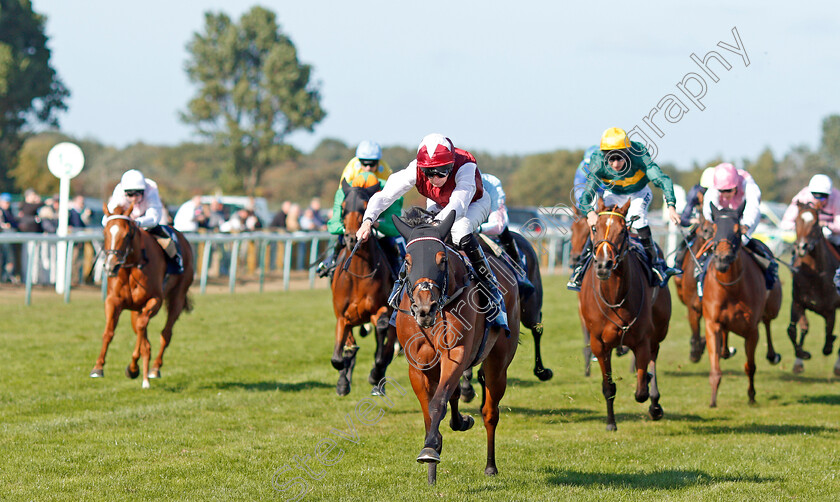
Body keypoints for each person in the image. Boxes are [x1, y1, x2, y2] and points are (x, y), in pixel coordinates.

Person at [355, 133, 507, 326]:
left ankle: (491, 288)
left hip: (473, 203)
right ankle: (400, 289)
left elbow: (457, 205)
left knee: (459, 230)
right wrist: (367, 220)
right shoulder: (415, 169)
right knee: (420, 239)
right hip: (439, 203)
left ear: (451, 165)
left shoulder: (466, 165)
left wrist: (434, 227)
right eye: (429, 173)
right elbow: (385, 196)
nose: (435, 178)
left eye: (442, 172)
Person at [568, 127, 682, 290]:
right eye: (610, 159)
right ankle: (580, 268)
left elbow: (663, 180)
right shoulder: (598, 160)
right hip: (613, 193)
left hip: (638, 193)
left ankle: (656, 265)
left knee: (638, 219)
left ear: (627, 152)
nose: (615, 164)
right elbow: (587, 194)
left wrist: (671, 205)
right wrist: (590, 213)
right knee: (601, 225)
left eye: (619, 158)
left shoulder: (639, 155)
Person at [316, 141, 404, 278]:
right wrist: (349, 228)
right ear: (359, 162)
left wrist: (374, 224)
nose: (368, 167)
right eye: (364, 163)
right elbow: (333, 224)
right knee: (340, 240)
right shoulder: (349, 177)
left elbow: (394, 227)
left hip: (378, 223)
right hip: (353, 224)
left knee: (392, 243)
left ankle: (398, 274)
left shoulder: (386, 179)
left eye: (372, 163)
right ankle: (331, 262)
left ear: (378, 163)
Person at [701, 162, 777, 291]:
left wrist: (746, 225)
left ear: (736, 185)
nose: (725, 194)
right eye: (722, 191)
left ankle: (769, 271)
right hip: (724, 219)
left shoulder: (748, 184)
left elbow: (753, 208)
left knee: (744, 241)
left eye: (729, 190)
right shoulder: (715, 186)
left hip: (743, 219)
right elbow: (709, 209)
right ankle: (700, 280)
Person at [105, 169, 184, 274]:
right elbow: (106, 219)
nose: (134, 198)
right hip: (126, 224)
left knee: (169, 240)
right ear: (124, 192)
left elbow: (154, 217)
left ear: (143, 191)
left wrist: (137, 222)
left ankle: (175, 265)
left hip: (147, 223)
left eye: (138, 194)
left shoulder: (151, 190)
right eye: (130, 194)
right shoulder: (119, 191)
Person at [478, 173, 534, 296]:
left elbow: (498, 225)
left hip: (490, 224)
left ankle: (518, 270)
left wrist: (476, 228)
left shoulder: (491, 183)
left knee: (504, 233)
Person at [780, 174, 840, 251]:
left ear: (829, 195)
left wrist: (826, 224)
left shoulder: (837, 199)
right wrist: (803, 227)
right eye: (815, 195)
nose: (818, 199)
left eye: (823, 197)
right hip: (806, 233)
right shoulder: (802, 197)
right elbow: (785, 223)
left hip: (830, 233)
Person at [673, 166, 715, 268]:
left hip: (717, 228)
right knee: (680, 253)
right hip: (701, 226)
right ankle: (678, 273)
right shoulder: (695, 193)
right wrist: (694, 221)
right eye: (705, 190)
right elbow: (684, 218)